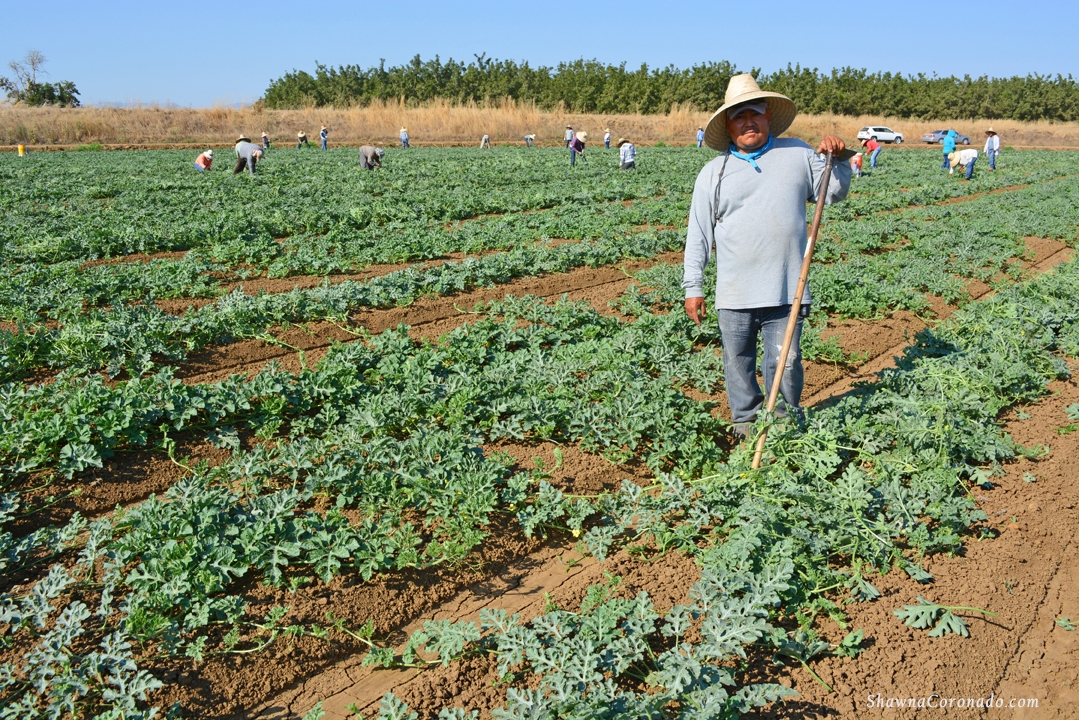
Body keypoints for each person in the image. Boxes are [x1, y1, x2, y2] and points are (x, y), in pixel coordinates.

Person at [682, 74, 851, 439]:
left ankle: (784, 428)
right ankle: (746, 426)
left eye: (754, 113)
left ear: (767, 117)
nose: (747, 122)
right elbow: (699, 234)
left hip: (786, 290)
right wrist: (692, 286)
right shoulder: (713, 173)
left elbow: (833, 193)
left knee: (786, 363)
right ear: (727, 127)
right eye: (738, 116)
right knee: (737, 365)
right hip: (735, 293)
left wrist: (837, 159)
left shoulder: (799, 154)